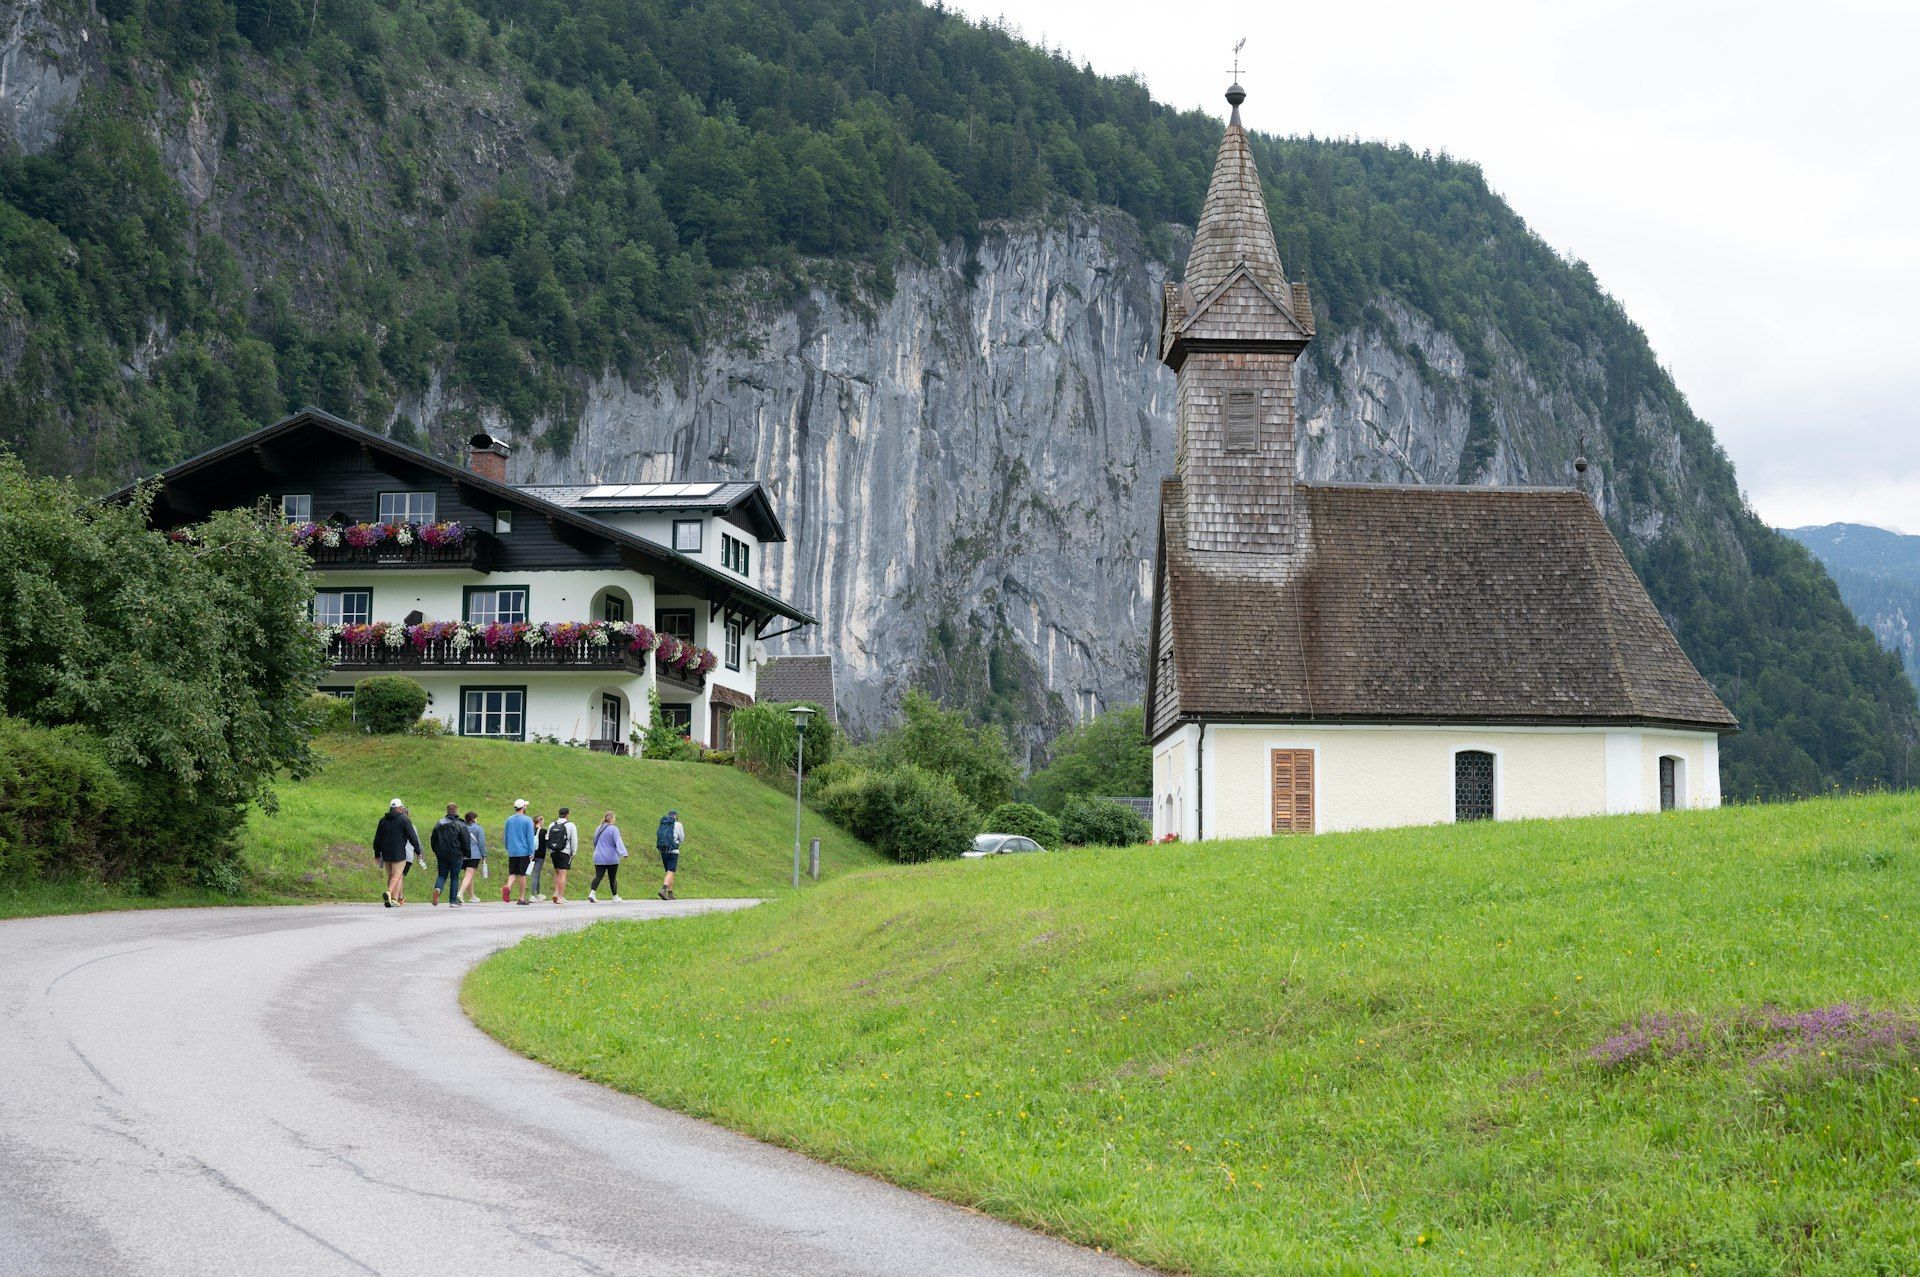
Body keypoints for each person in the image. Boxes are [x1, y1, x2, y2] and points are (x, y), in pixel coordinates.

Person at [372, 798, 418, 908]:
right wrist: (418, 850)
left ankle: (392, 899)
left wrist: (377, 854)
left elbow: (377, 839)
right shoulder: (404, 820)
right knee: (397, 875)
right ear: (400, 808)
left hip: (386, 853)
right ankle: (390, 894)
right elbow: (412, 836)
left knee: (391, 875)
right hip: (399, 852)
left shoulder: (383, 820)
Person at [430, 803, 469, 907]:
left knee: (442, 875)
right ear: (456, 811)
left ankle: (438, 888)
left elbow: (433, 839)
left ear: (447, 811)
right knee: (455, 877)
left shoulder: (439, 823)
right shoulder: (461, 824)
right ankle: (453, 901)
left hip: (442, 854)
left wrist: (436, 851)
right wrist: (467, 853)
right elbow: (465, 840)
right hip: (456, 854)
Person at [588, 812, 627, 902]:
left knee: (598, 876)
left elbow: (594, 841)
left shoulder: (598, 828)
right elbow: (618, 841)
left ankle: (592, 893)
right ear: (612, 819)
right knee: (612, 877)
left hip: (598, 856)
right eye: (614, 817)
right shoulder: (613, 829)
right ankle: (615, 897)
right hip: (610, 857)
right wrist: (624, 853)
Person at [504, 799, 536, 905]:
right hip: (524, 851)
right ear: (523, 808)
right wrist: (532, 852)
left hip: (512, 851)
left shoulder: (509, 820)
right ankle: (521, 898)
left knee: (513, 873)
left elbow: (506, 836)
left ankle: (508, 887)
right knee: (523, 874)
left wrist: (508, 848)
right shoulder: (527, 820)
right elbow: (530, 838)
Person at [546, 807, 577, 904]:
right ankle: (560, 897)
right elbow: (574, 839)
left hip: (554, 851)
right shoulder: (571, 825)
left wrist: (551, 849)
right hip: (565, 852)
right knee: (563, 874)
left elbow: (547, 837)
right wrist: (573, 852)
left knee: (557, 872)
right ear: (567, 815)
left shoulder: (552, 824)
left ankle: (556, 892)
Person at [655, 809, 686, 901]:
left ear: (668, 816)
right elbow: (682, 839)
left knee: (669, 872)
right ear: (676, 816)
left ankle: (670, 893)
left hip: (663, 850)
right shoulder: (678, 824)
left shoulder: (663, 824)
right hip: (673, 850)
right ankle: (663, 889)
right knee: (671, 871)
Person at [459, 811, 486, 904]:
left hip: (463, 855)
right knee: (469, 875)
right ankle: (460, 893)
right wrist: (484, 855)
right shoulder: (478, 828)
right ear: (474, 819)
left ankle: (472, 896)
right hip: (474, 855)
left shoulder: (462, 828)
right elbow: (481, 843)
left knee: (468, 876)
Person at [523, 814, 547, 903]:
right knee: (535, 875)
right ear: (540, 821)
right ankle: (532, 894)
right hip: (540, 856)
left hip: (530, 854)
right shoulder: (544, 831)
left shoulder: (530, 830)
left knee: (537, 875)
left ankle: (539, 893)